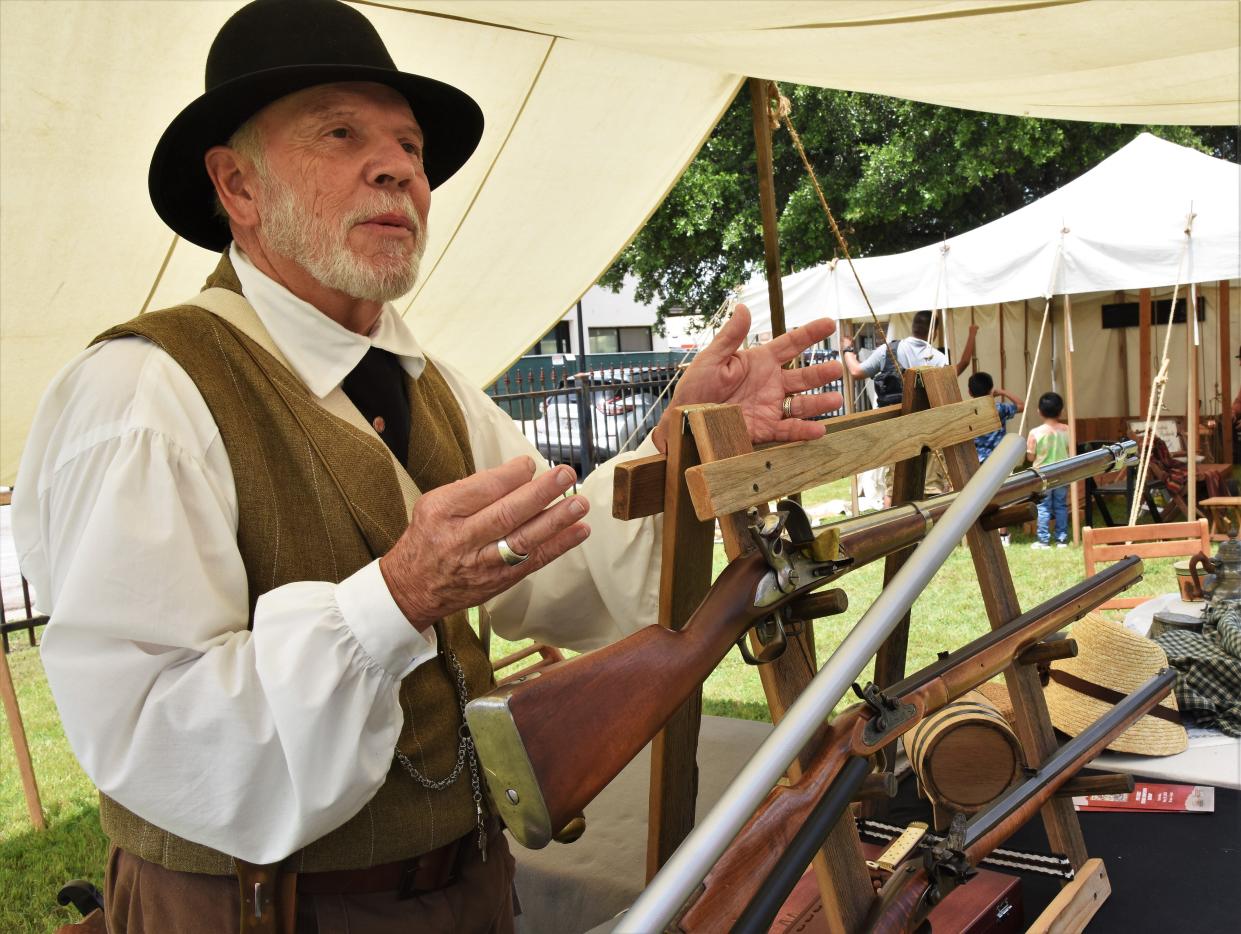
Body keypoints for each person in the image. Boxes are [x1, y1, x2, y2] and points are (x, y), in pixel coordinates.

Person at [10, 2, 843, 932]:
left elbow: (555, 561)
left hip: (470, 891)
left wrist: (670, 449)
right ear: (236, 186)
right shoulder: (143, 392)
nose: (399, 167)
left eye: (409, 146)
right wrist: (394, 599)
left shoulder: (434, 386)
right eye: (341, 132)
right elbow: (150, 728)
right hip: (261, 913)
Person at [839, 310, 977, 505]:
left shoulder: (888, 350)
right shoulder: (937, 358)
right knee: (931, 486)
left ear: (913, 327)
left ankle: (892, 529)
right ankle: (933, 531)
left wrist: (847, 350)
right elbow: (958, 370)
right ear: (934, 331)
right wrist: (972, 335)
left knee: (894, 486)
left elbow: (856, 371)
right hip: (929, 428)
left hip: (897, 425)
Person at [968, 371, 1023, 545]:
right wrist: (1003, 392)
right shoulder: (999, 408)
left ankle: (975, 531)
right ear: (991, 389)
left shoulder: (968, 411)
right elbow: (1021, 405)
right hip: (999, 459)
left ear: (970, 392)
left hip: (976, 459)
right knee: (1001, 495)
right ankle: (1003, 534)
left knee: (977, 495)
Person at [1027, 392, 1072, 548]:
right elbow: (1071, 451)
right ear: (1061, 411)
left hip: (1043, 475)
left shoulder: (1035, 433)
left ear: (1039, 411)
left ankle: (1043, 540)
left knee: (1043, 506)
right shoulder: (1067, 430)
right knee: (1061, 505)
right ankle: (1061, 538)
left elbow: (1031, 457)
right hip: (1062, 473)